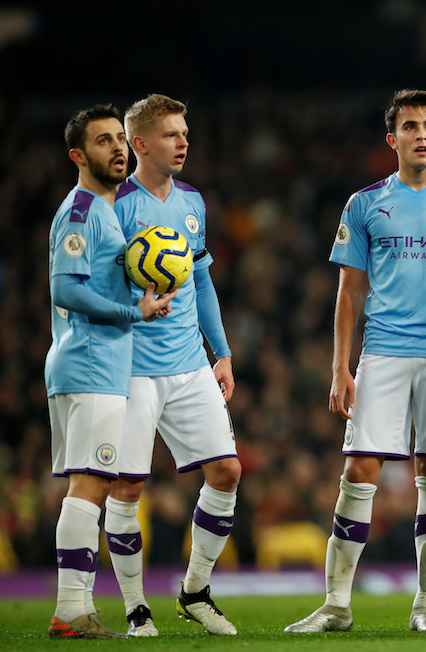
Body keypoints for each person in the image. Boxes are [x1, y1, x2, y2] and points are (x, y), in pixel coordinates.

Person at [285, 89, 426, 635]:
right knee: (359, 471)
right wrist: (341, 367)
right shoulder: (364, 205)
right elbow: (348, 294)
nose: (421, 135)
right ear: (393, 138)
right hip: (383, 352)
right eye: (410, 126)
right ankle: (336, 605)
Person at [105, 94, 240, 636]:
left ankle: (195, 590)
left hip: (188, 363)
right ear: (139, 143)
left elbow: (201, 280)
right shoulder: (114, 205)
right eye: (170, 135)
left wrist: (222, 350)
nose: (183, 142)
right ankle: (137, 608)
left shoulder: (192, 202)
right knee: (129, 487)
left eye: (185, 133)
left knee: (227, 471)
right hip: (132, 365)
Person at [46, 105, 175, 639]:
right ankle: (72, 609)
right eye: (103, 142)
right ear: (79, 156)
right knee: (92, 482)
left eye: (120, 139)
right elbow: (65, 288)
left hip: (93, 365)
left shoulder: (101, 209)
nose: (118, 149)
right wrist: (133, 312)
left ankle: (74, 607)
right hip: (92, 363)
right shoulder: (82, 211)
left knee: (91, 481)